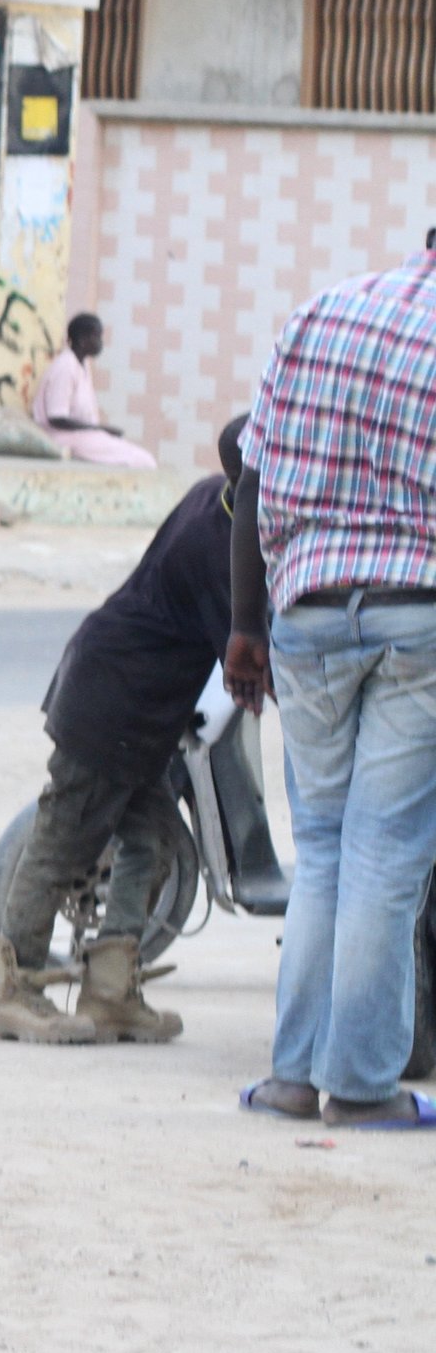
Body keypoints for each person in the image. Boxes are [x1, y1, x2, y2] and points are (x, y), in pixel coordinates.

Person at [228, 241, 436, 1130]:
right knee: (386, 854)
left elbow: (252, 476)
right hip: (418, 616)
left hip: (304, 610)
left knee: (320, 849)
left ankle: (289, 1078)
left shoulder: (321, 313)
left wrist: (245, 623)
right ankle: (358, 1087)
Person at [0, 417, 249, 1045]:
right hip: (114, 703)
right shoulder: (221, 547)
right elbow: (246, 647)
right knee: (61, 839)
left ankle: (108, 993)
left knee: (151, 842)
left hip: (134, 703)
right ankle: (6, 994)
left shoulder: (215, 496)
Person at [33, 314, 158, 468]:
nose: (100, 343)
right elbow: (56, 418)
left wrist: (99, 431)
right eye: (97, 337)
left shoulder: (82, 364)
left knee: (142, 458)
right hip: (63, 438)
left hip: (83, 435)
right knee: (143, 461)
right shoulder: (65, 367)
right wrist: (99, 428)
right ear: (82, 339)